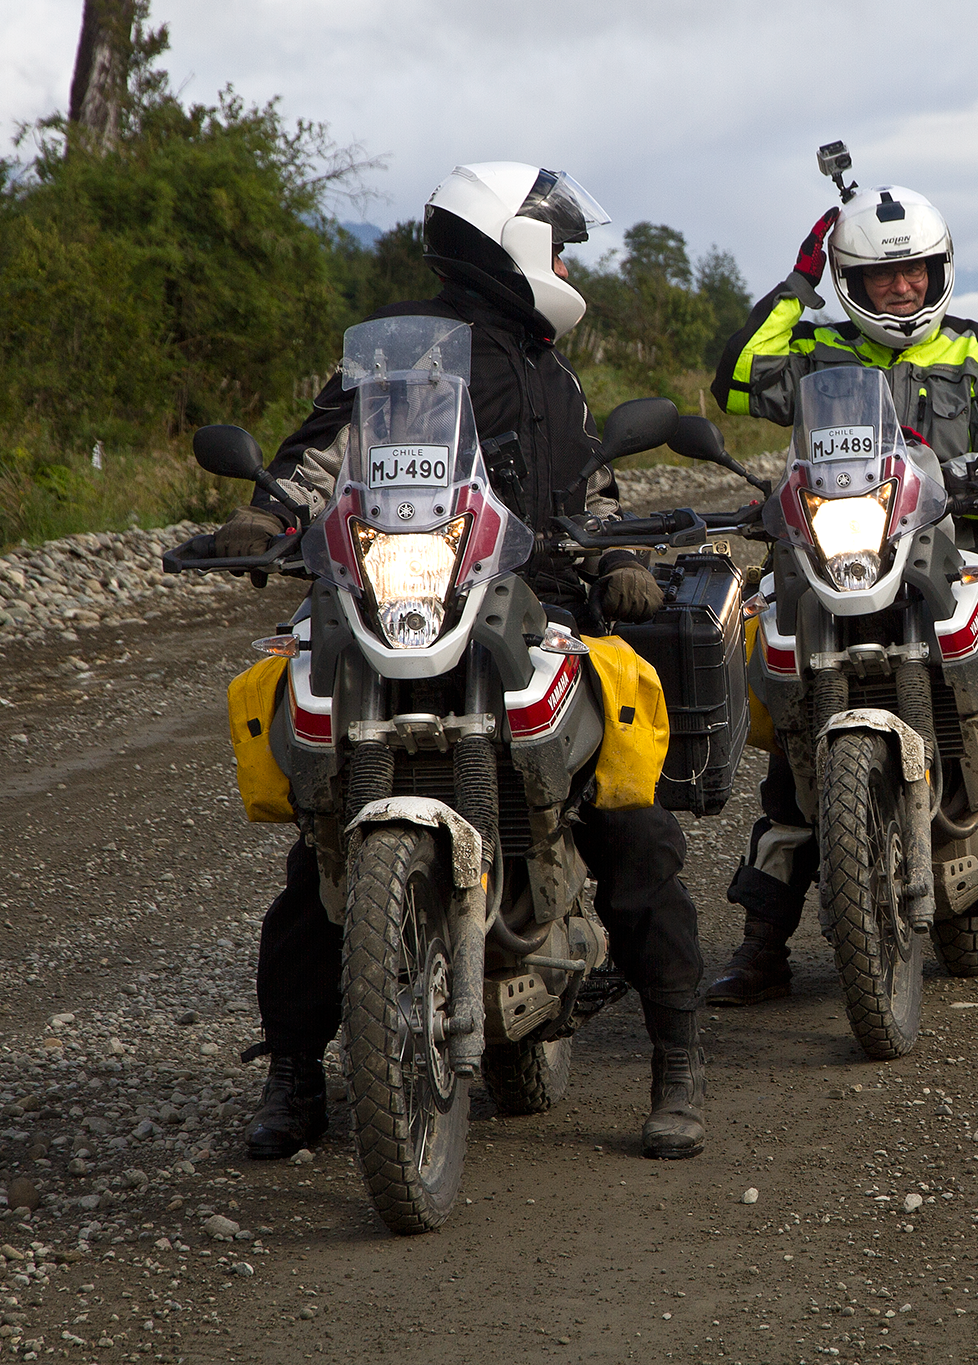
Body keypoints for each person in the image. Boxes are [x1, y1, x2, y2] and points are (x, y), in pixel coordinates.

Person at [213, 162, 706, 1161]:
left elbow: (593, 497)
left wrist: (621, 560)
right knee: (318, 851)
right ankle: (295, 1073)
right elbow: (324, 457)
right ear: (505, 240)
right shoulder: (402, 357)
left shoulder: (554, 375)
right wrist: (264, 512)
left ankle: (677, 1061)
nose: (565, 262)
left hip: (529, 611)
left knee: (630, 826)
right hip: (389, 608)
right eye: (555, 243)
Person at [704, 184, 978, 1008]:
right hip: (835, 567)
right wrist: (799, 279)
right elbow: (733, 379)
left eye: (914, 272)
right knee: (790, 739)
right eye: (880, 277)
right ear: (851, 282)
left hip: (954, 559)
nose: (901, 288)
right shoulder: (817, 354)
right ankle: (763, 942)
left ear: (938, 270)